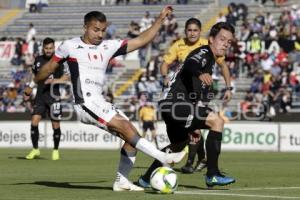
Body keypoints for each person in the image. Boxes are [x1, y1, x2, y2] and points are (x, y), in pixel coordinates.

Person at [33, 8, 186, 192]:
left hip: (100, 102)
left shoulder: (108, 46)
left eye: (103, 30)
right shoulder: (70, 46)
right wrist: (33, 82)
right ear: (85, 27)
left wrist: (160, 20)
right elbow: (48, 68)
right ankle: (163, 157)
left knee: (131, 137)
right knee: (127, 129)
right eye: (95, 29)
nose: (100, 34)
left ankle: (121, 182)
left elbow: (141, 40)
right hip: (85, 103)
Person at [138, 22, 236, 188]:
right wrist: (200, 72)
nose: (226, 43)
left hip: (170, 105)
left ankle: (146, 179)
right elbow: (191, 64)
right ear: (211, 39)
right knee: (217, 122)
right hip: (175, 103)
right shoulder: (204, 52)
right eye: (222, 39)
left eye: (229, 41)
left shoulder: (210, 58)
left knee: (177, 146)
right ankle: (212, 174)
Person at [160, 17, 228, 174]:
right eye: (189, 30)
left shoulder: (209, 45)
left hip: (199, 92)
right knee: (184, 138)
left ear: (200, 32)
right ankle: (204, 162)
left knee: (203, 125)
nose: (192, 33)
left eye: (195, 30)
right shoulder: (180, 45)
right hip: (181, 94)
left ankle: (195, 162)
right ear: (185, 32)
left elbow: (223, 65)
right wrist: (164, 76)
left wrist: (229, 86)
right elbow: (169, 64)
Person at [24, 37, 70, 161]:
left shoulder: (59, 61)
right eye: (46, 48)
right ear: (43, 48)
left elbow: (66, 78)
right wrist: (29, 88)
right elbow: (34, 75)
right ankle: (35, 149)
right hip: (40, 96)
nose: (48, 50)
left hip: (54, 97)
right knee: (34, 122)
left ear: (54, 48)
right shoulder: (38, 60)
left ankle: (55, 150)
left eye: (50, 48)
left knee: (55, 125)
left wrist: (55, 80)